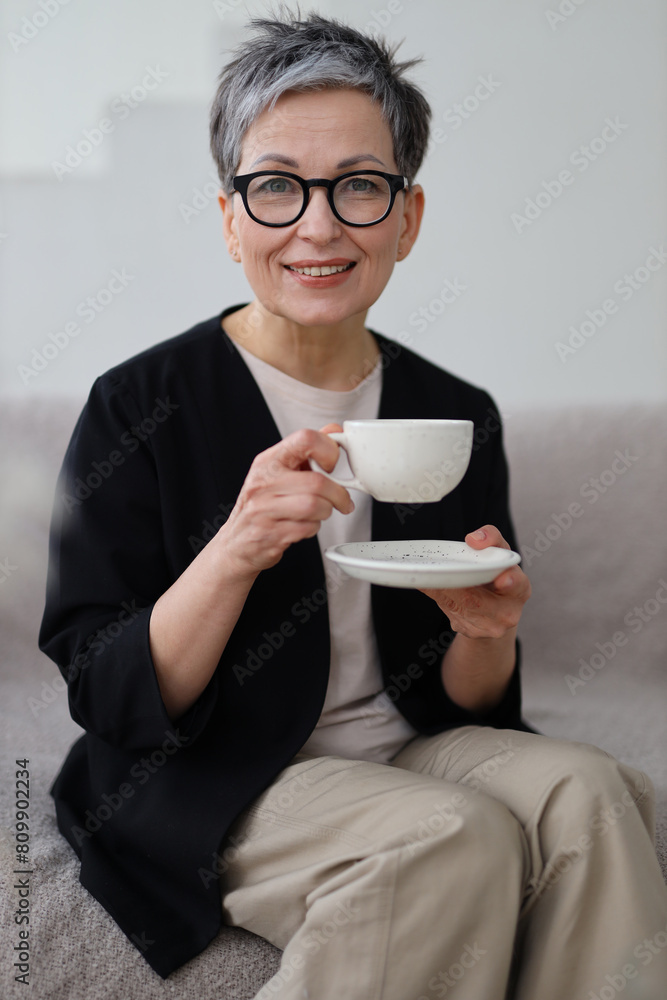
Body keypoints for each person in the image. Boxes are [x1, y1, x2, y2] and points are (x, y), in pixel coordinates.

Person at [39, 11, 667, 999]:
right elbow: (103, 692)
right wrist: (235, 551)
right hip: (216, 770)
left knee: (595, 792)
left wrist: (485, 630)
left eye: (359, 187)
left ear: (407, 217)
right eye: (277, 186)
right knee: (452, 838)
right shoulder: (138, 405)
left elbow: (472, 704)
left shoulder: (451, 414)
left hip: (408, 747)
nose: (319, 224)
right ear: (230, 217)